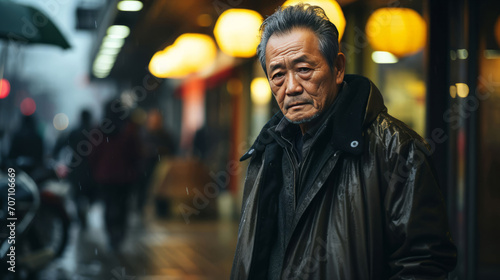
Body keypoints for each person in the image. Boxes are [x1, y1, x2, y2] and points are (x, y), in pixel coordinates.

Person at [231, 4, 457, 279]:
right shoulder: (268, 150)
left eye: (304, 69)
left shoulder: (396, 148)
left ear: (337, 68)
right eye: (277, 74)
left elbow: (423, 263)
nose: (291, 87)